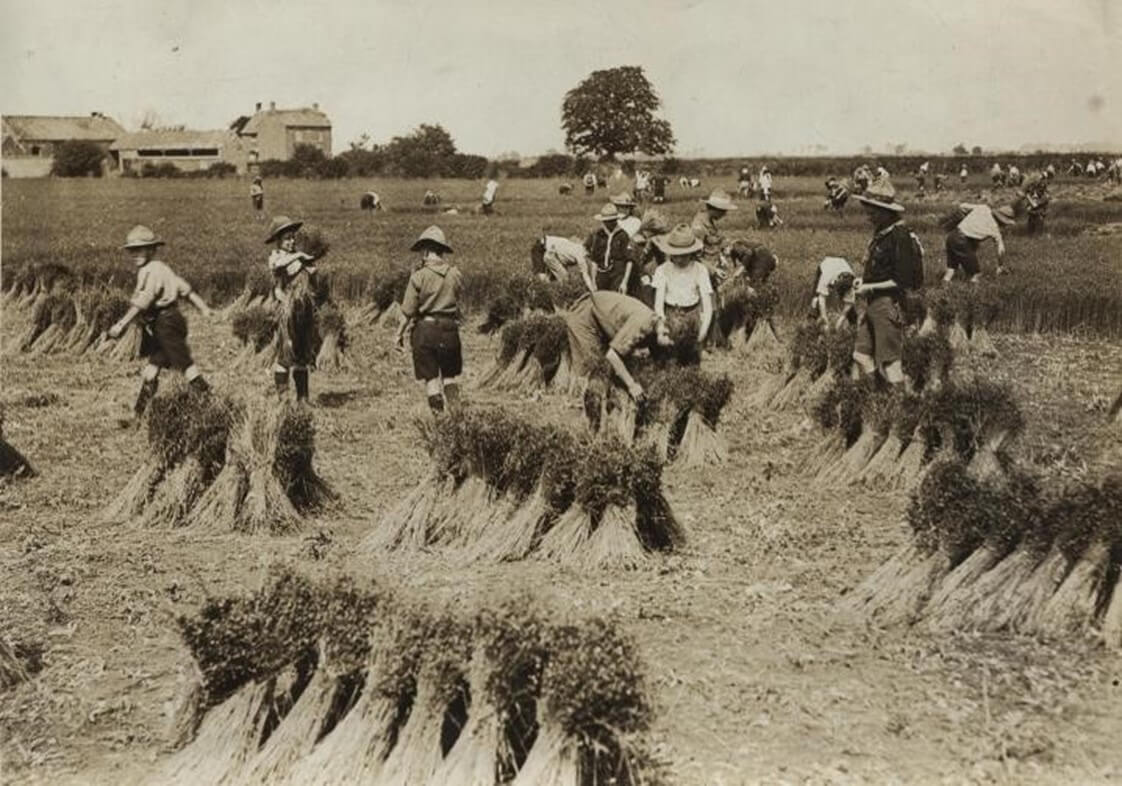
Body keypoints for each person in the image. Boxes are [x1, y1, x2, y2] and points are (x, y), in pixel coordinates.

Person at [108, 225, 213, 423]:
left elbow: (143, 302)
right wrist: (204, 308)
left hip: (166, 323)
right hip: (168, 322)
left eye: (140, 249)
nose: (135, 254)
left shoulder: (151, 271)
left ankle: (212, 402)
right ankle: (138, 415)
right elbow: (185, 290)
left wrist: (121, 325)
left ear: (152, 249)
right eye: (132, 250)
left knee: (185, 365)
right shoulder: (162, 268)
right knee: (151, 370)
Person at [852, 178, 924, 390]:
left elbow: (902, 280)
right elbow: (880, 270)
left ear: (885, 211)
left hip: (888, 304)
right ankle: (882, 395)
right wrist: (863, 281)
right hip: (873, 302)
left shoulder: (899, 235)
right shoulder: (882, 233)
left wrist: (869, 287)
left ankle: (900, 407)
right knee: (861, 355)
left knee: (891, 363)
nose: (869, 215)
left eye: (872, 211)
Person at [395, 226, 463, 415]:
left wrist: (398, 335)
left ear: (425, 250)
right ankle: (458, 421)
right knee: (449, 378)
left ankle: (439, 423)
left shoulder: (418, 277)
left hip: (426, 332)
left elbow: (407, 311)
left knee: (431, 379)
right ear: (442, 251)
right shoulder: (455, 274)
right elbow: (457, 298)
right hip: (450, 331)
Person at [564, 290, 672, 402]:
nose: (669, 346)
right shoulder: (642, 324)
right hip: (584, 316)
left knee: (609, 371)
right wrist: (632, 385)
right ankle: (577, 405)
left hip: (599, 316)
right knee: (593, 367)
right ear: (666, 332)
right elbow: (612, 355)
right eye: (670, 343)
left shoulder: (655, 323)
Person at [265, 215, 322, 402]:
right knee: (285, 353)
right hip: (286, 313)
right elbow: (278, 267)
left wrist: (312, 273)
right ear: (278, 241)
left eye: (292, 238)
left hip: (303, 311)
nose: (291, 242)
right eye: (287, 238)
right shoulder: (276, 257)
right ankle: (283, 398)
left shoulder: (299, 259)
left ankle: (303, 399)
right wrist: (299, 256)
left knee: (302, 354)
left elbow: (310, 284)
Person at [650, 225, 714, 366]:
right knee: (670, 359)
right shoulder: (662, 270)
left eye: (684, 255)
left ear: (692, 253)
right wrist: (662, 326)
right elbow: (658, 304)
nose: (679, 260)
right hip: (671, 315)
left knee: (692, 360)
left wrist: (702, 333)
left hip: (693, 316)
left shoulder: (700, 270)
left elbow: (708, 306)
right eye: (676, 255)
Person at [943, 203, 1016, 282]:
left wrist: (967, 218)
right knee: (976, 274)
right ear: (1002, 221)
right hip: (962, 242)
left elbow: (962, 206)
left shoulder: (983, 208)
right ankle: (972, 290)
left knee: (951, 269)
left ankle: (944, 284)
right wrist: (1000, 265)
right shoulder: (995, 230)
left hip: (952, 236)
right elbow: (1001, 250)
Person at [584, 203, 634, 294]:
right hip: (602, 272)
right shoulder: (599, 235)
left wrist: (624, 282)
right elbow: (594, 260)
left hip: (617, 273)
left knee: (615, 297)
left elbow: (629, 260)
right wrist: (594, 281)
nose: (608, 224)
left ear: (616, 220)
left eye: (611, 221)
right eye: (606, 221)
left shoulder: (623, 235)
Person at [809, 256, 857, 331]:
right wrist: (825, 321)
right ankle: (811, 323)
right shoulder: (826, 275)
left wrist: (841, 320)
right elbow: (822, 298)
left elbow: (849, 303)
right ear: (836, 281)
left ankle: (854, 327)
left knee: (851, 309)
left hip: (842, 265)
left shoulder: (852, 281)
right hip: (826, 265)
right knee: (816, 298)